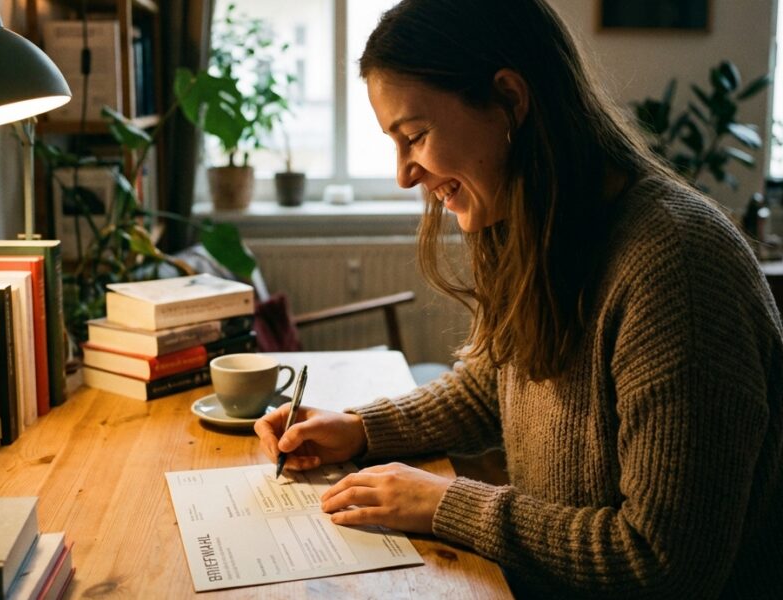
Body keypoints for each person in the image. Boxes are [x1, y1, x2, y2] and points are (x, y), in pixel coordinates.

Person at [255, 0, 783, 597]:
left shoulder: (678, 269)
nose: (405, 174)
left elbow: (662, 561)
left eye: (416, 136)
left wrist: (448, 503)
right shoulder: (539, 221)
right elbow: (495, 382)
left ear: (508, 99)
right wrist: (359, 429)